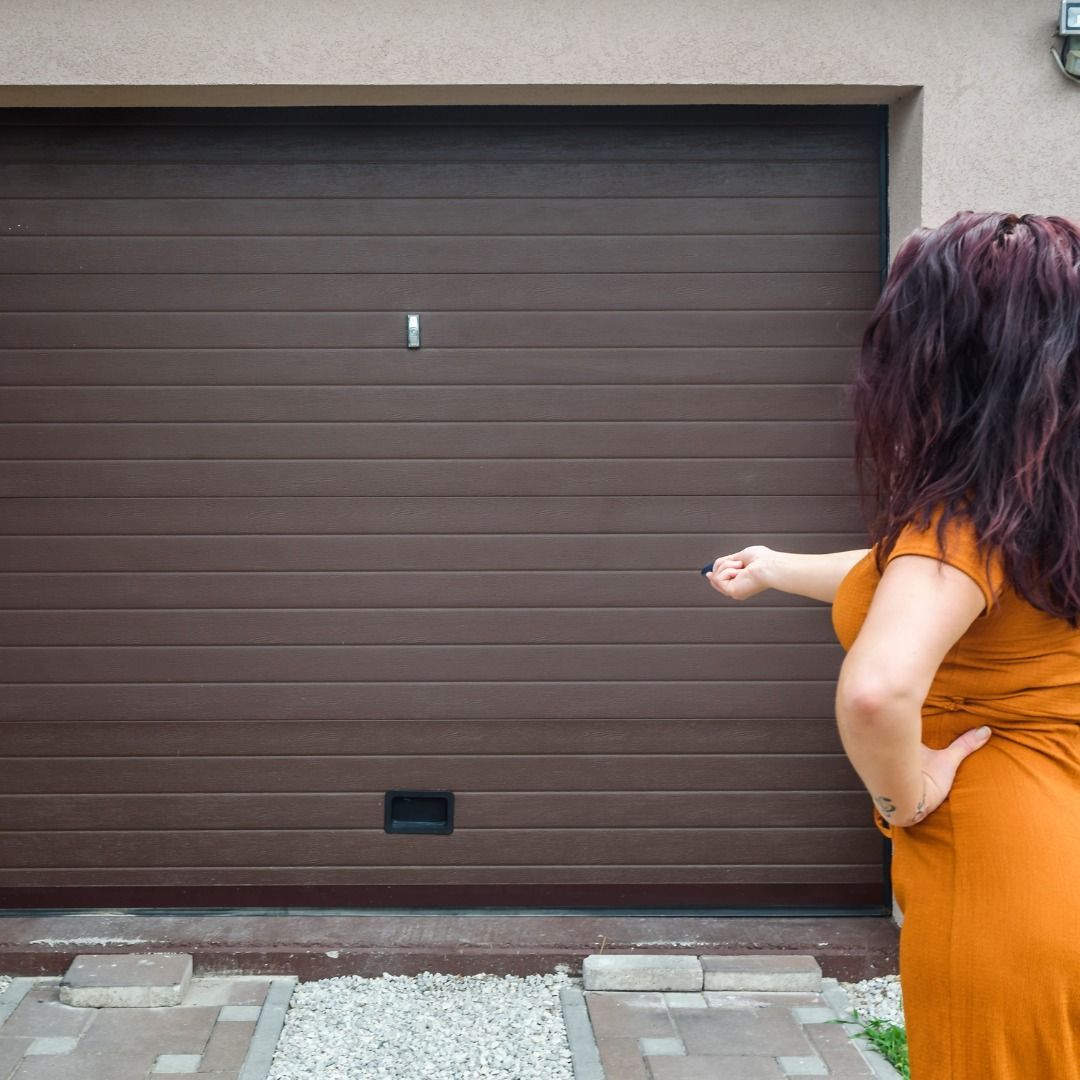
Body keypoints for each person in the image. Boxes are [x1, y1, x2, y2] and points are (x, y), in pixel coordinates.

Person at [704, 210, 1080, 1080]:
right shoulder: (1042, 503)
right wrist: (774, 566)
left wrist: (905, 796)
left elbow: (877, 688)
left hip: (999, 876)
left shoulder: (962, 519)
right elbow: (917, 583)